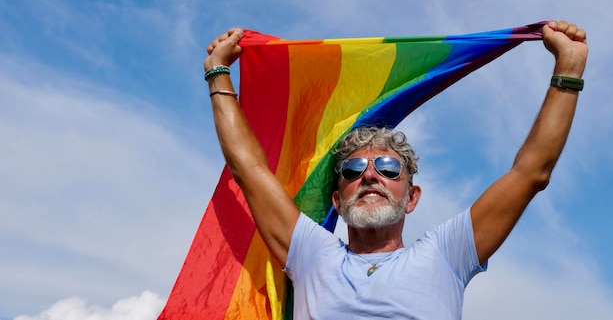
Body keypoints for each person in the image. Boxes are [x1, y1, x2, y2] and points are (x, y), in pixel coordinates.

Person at [203, 20, 588, 319]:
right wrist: (218, 73)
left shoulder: (446, 253)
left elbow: (530, 173)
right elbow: (249, 169)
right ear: (337, 200)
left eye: (388, 168)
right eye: (353, 170)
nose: (369, 175)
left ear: (412, 197)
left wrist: (568, 71)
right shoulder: (312, 255)